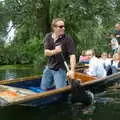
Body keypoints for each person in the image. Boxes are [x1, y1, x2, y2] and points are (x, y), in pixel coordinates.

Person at [41, 18, 76, 90]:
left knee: (60, 91)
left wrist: (72, 70)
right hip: (49, 67)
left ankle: (63, 82)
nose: (63, 28)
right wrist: (55, 51)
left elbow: (72, 55)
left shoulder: (67, 38)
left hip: (61, 69)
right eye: (60, 26)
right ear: (54, 27)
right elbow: (46, 53)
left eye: (63, 26)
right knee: (44, 88)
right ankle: (53, 84)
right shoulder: (48, 36)